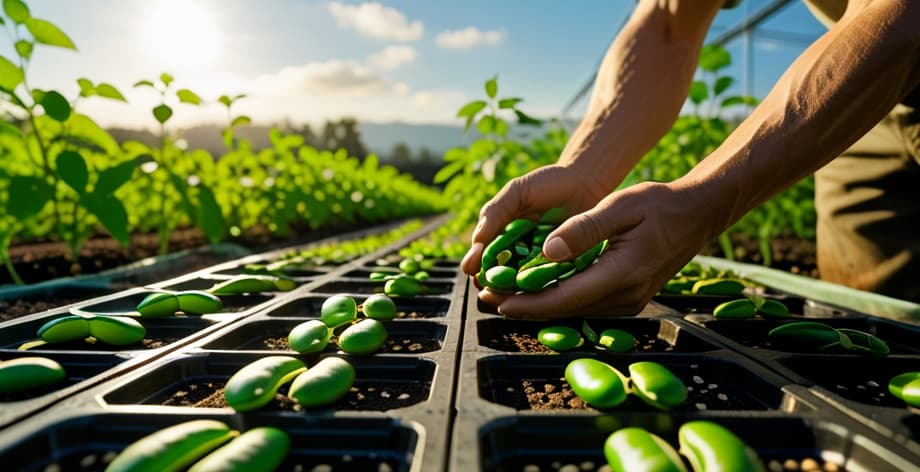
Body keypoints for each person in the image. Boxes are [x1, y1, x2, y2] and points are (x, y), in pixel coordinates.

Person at [460, 0, 920, 319]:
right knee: (873, 322)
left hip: (890, 39)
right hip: (855, 80)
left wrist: (705, 199)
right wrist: (586, 171)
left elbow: (906, 15)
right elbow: (668, 22)